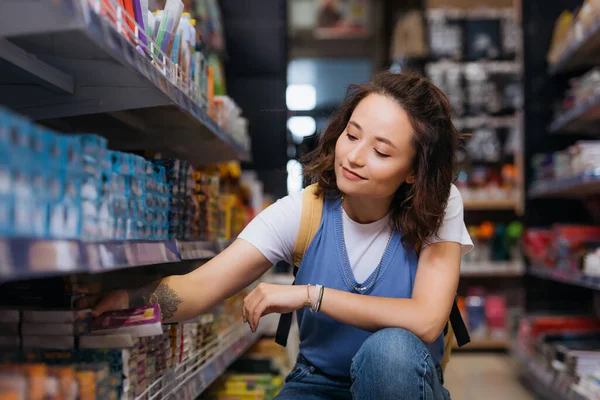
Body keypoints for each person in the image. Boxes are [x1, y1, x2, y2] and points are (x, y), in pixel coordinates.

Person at [79, 71, 473, 399]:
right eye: (351, 136)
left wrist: (309, 295)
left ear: (413, 172)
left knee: (390, 352)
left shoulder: (438, 205)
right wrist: (129, 301)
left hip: (400, 386)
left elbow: (425, 320)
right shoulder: (305, 211)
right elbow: (199, 288)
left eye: (381, 152)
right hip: (318, 385)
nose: (353, 157)